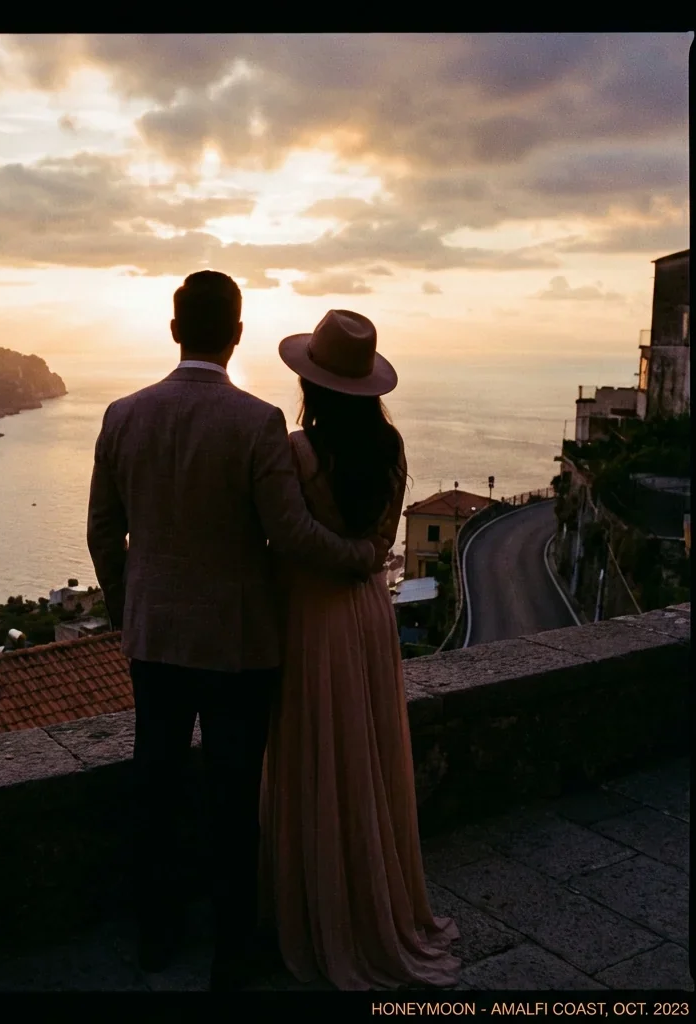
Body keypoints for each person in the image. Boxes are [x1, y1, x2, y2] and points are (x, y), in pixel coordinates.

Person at [86, 273, 392, 992]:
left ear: (173, 329)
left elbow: (104, 531)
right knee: (233, 797)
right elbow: (288, 534)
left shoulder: (122, 414)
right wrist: (361, 559)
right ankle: (232, 949)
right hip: (238, 644)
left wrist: (128, 605)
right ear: (237, 335)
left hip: (154, 637)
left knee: (154, 785)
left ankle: (156, 937)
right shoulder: (256, 424)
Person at [259, 309, 461, 990]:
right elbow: (379, 548)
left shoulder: (297, 452)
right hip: (370, 614)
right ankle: (379, 906)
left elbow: (283, 539)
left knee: (316, 754)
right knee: (365, 753)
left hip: (312, 618)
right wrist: (359, 559)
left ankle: (319, 914)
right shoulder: (391, 449)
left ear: (309, 385)